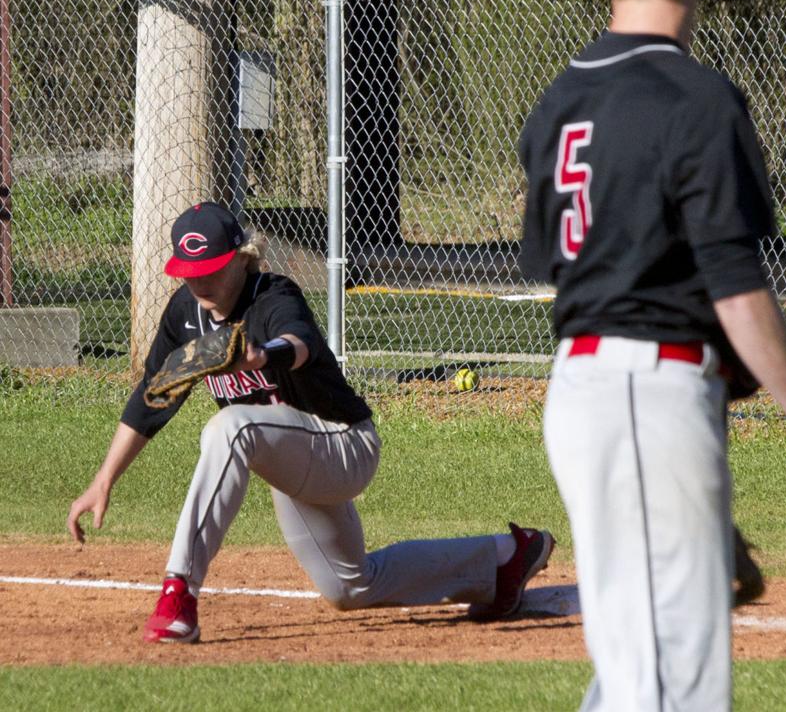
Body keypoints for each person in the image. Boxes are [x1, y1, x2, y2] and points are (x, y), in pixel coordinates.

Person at [519, 0, 786, 708]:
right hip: (650, 394)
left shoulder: (557, 101)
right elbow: (735, 286)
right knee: (675, 683)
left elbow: (563, 268)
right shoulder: (700, 100)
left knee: (635, 665)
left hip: (584, 390)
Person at [67, 202, 554, 643]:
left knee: (229, 428)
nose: (199, 283)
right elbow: (153, 396)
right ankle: (503, 560)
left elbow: (298, 343)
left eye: (211, 269)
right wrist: (102, 480)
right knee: (350, 585)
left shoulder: (273, 294)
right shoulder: (185, 313)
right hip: (289, 458)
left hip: (343, 443)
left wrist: (261, 355)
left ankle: (178, 594)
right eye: (189, 272)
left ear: (242, 256)